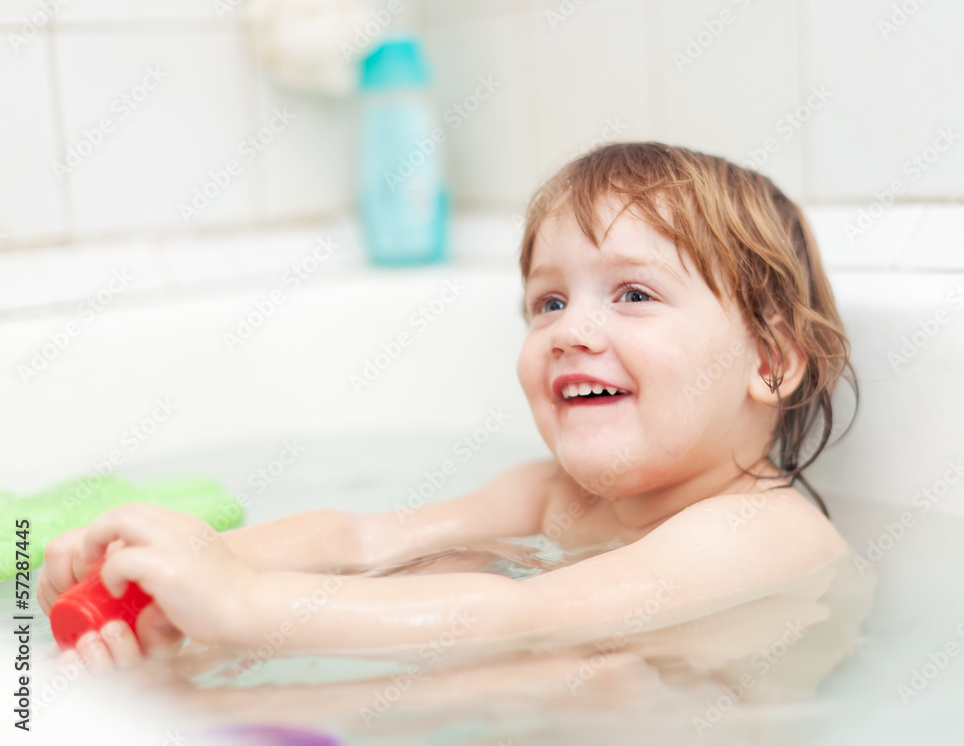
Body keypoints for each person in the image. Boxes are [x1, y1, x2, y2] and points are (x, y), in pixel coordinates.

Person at [37, 142, 859, 675]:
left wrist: (242, 605)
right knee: (444, 568)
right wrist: (182, 564)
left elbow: (524, 616)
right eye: (548, 302)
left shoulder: (762, 529)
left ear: (770, 361)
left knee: (586, 674)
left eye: (634, 294)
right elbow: (360, 539)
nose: (569, 331)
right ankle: (189, 673)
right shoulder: (554, 496)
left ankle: (212, 704)